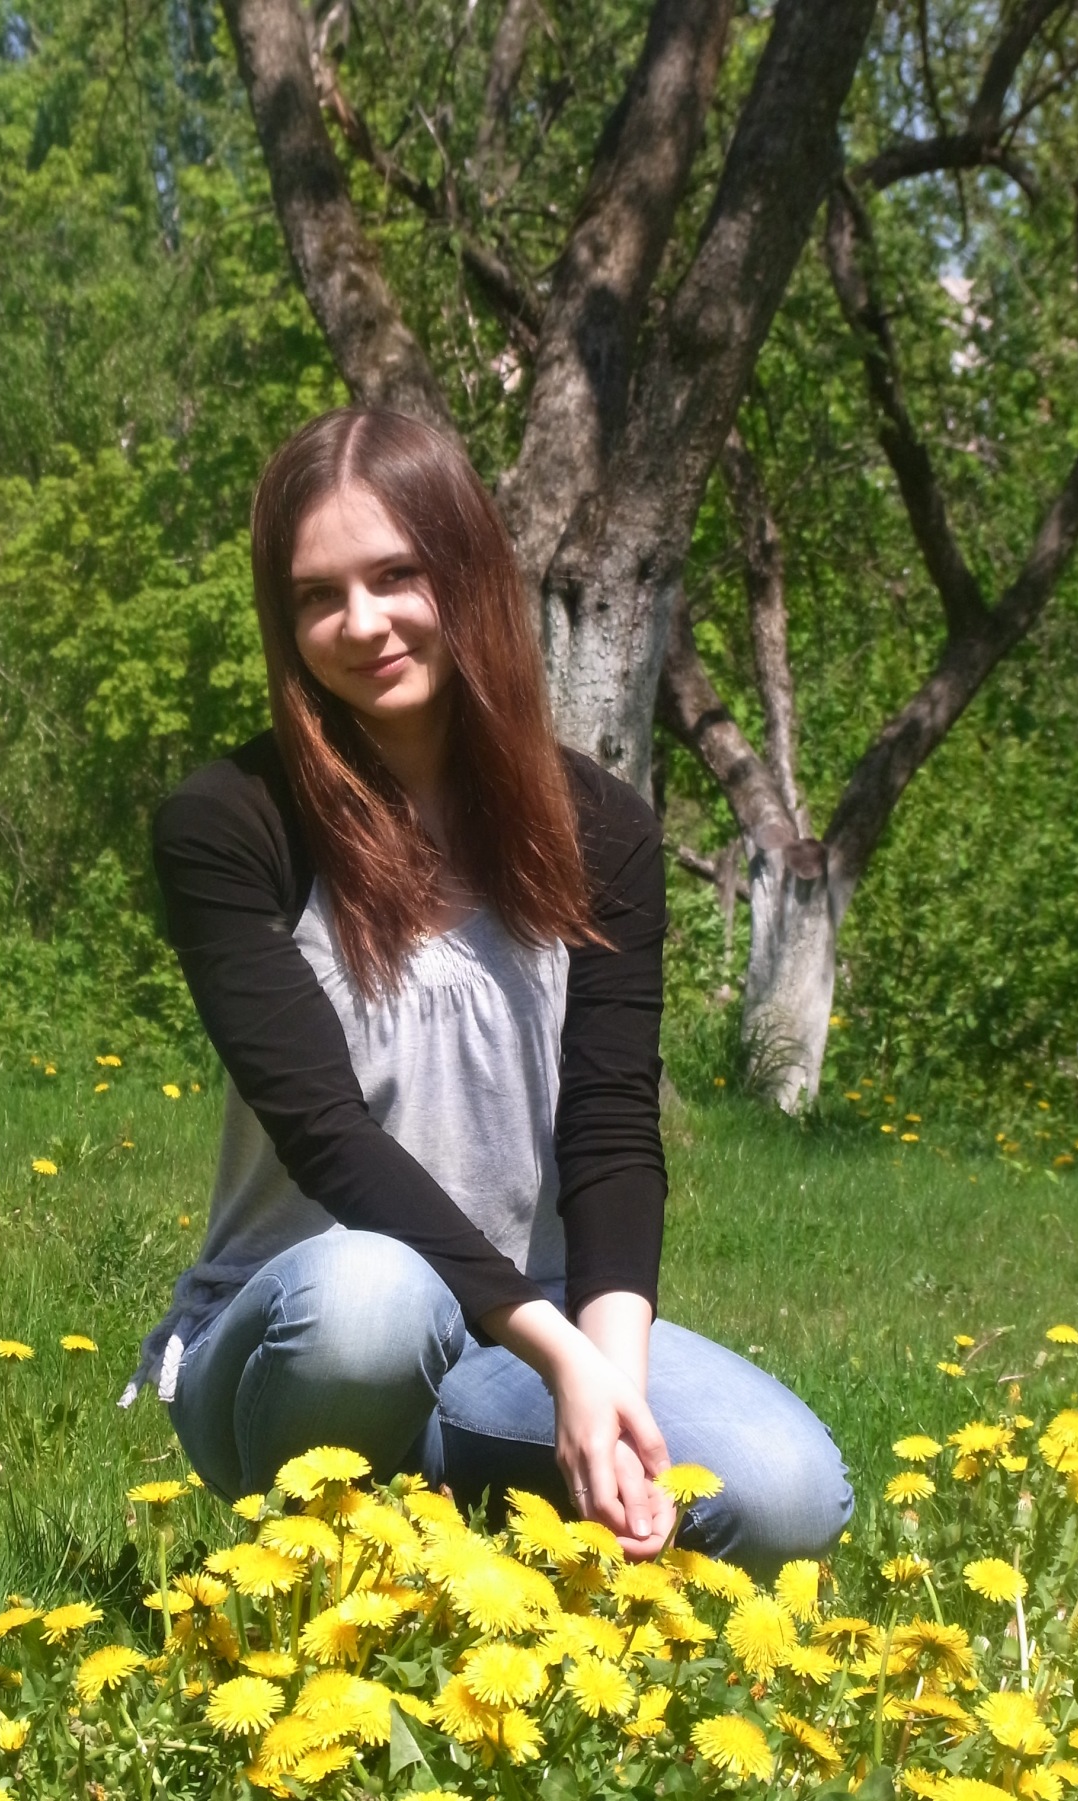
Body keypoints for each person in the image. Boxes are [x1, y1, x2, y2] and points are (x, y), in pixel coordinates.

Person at [124, 408, 851, 1573]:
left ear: (464, 570)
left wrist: (608, 1388)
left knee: (786, 1491)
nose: (363, 623)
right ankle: (324, 1577)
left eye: (395, 575)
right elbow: (326, 1134)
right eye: (318, 596)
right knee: (376, 1295)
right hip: (299, 1332)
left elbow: (610, 1129)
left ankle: (460, 1517)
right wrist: (560, 1359)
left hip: (521, 1335)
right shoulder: (228, 825)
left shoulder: (602, 829)